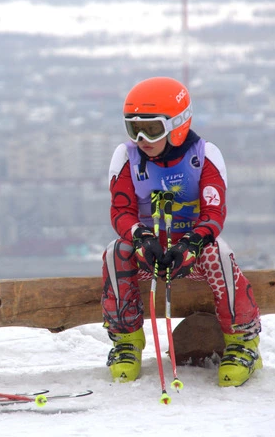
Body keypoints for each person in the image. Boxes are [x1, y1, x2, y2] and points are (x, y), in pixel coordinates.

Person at [101, 76, 262, 387]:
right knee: (114, 253)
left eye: (151, 129)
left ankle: (243, 341)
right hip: (150, 255)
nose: (142, 140)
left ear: (177, 125)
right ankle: (126, 341)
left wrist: (192, 243)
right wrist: (141, 238)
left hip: (192, 255)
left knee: (220, 253)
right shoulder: (127, 157)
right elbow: (121, 211)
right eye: (134, 129)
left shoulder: (203, 156)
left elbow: (214, 213)